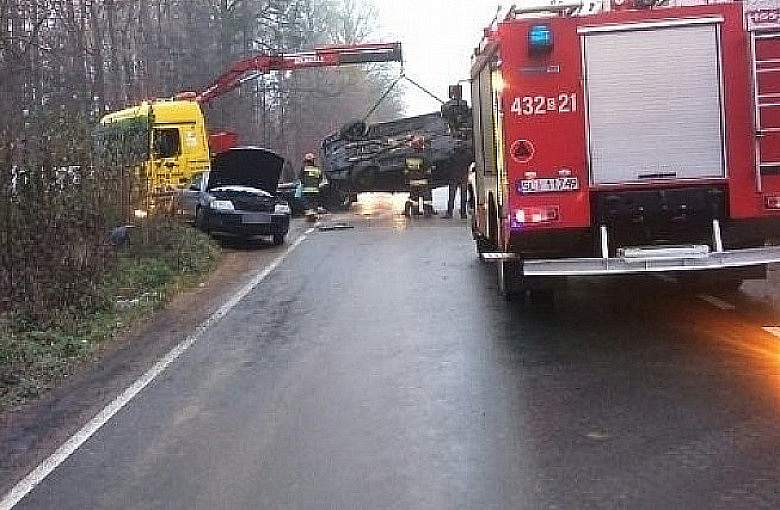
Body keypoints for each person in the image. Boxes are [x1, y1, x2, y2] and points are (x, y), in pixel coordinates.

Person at [404, 136, 435, 218]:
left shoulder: (408, 157)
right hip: (422, 181)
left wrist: (408, 178)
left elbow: (406, 170)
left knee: (414, 198)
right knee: (426, 198)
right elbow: (428, 170)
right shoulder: (423, 157)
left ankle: (414, 211)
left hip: (412, 181)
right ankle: (427, 212)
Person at [299, 153, 323, 220]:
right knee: (314, 202)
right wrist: (317, 184)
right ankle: (314, 214)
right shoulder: (317, 168)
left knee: (307, 203)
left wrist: (304, 183)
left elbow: (300, 177)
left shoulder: (304, 168)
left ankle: (309, 216)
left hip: (307, 189)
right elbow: (321, 178)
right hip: (315, 189)